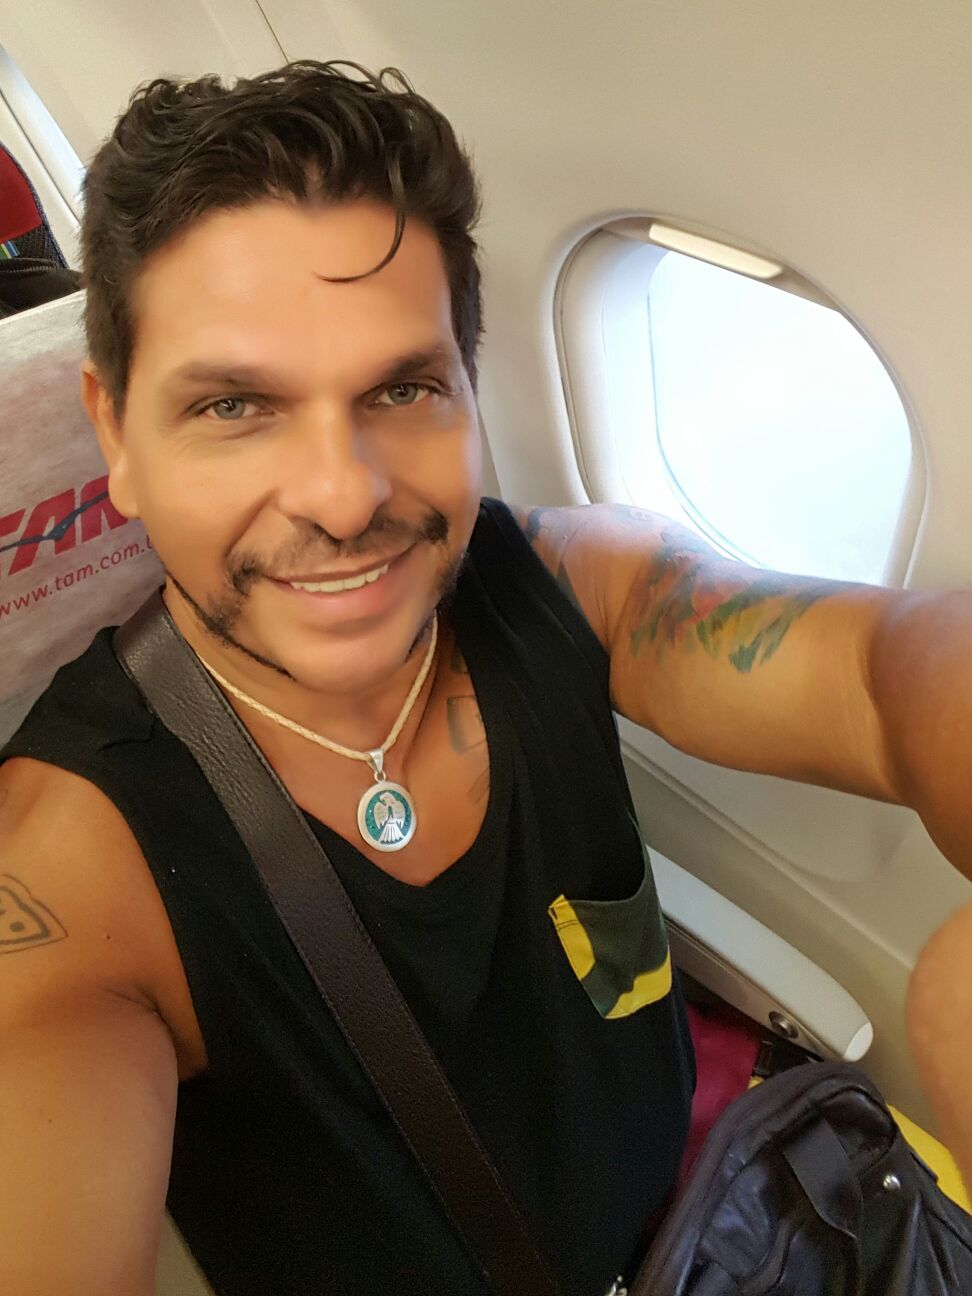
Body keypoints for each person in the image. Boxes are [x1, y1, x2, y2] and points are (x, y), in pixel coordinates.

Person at [0, 59, 968, 1296]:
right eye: (236, 406)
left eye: (402, 388)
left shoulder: (569, 583)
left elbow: (887, 674)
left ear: (466, 388)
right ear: (118, 436)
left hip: (717, 1227)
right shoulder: (75, 875)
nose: (343, 495)